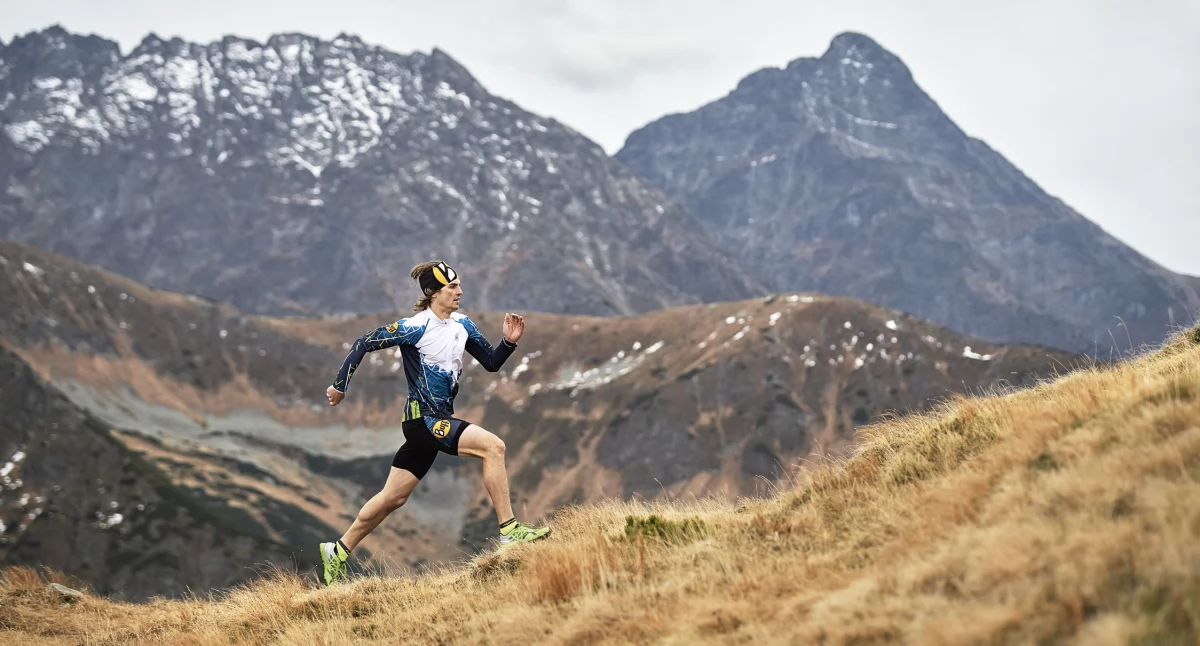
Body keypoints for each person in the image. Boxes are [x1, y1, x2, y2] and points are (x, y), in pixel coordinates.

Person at [317, 260, 550, 586]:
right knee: (493, 447)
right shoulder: (414, 328)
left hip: (435, 422)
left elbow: (492, 363)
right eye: (452, 287)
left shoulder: (463, 325)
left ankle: (338, 550)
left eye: (458, 286)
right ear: (432, 292)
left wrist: (509, 342)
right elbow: (362, 343)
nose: (460, 292)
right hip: (421, 421)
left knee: (393, 498)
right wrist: (340, 386)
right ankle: (510, 531)